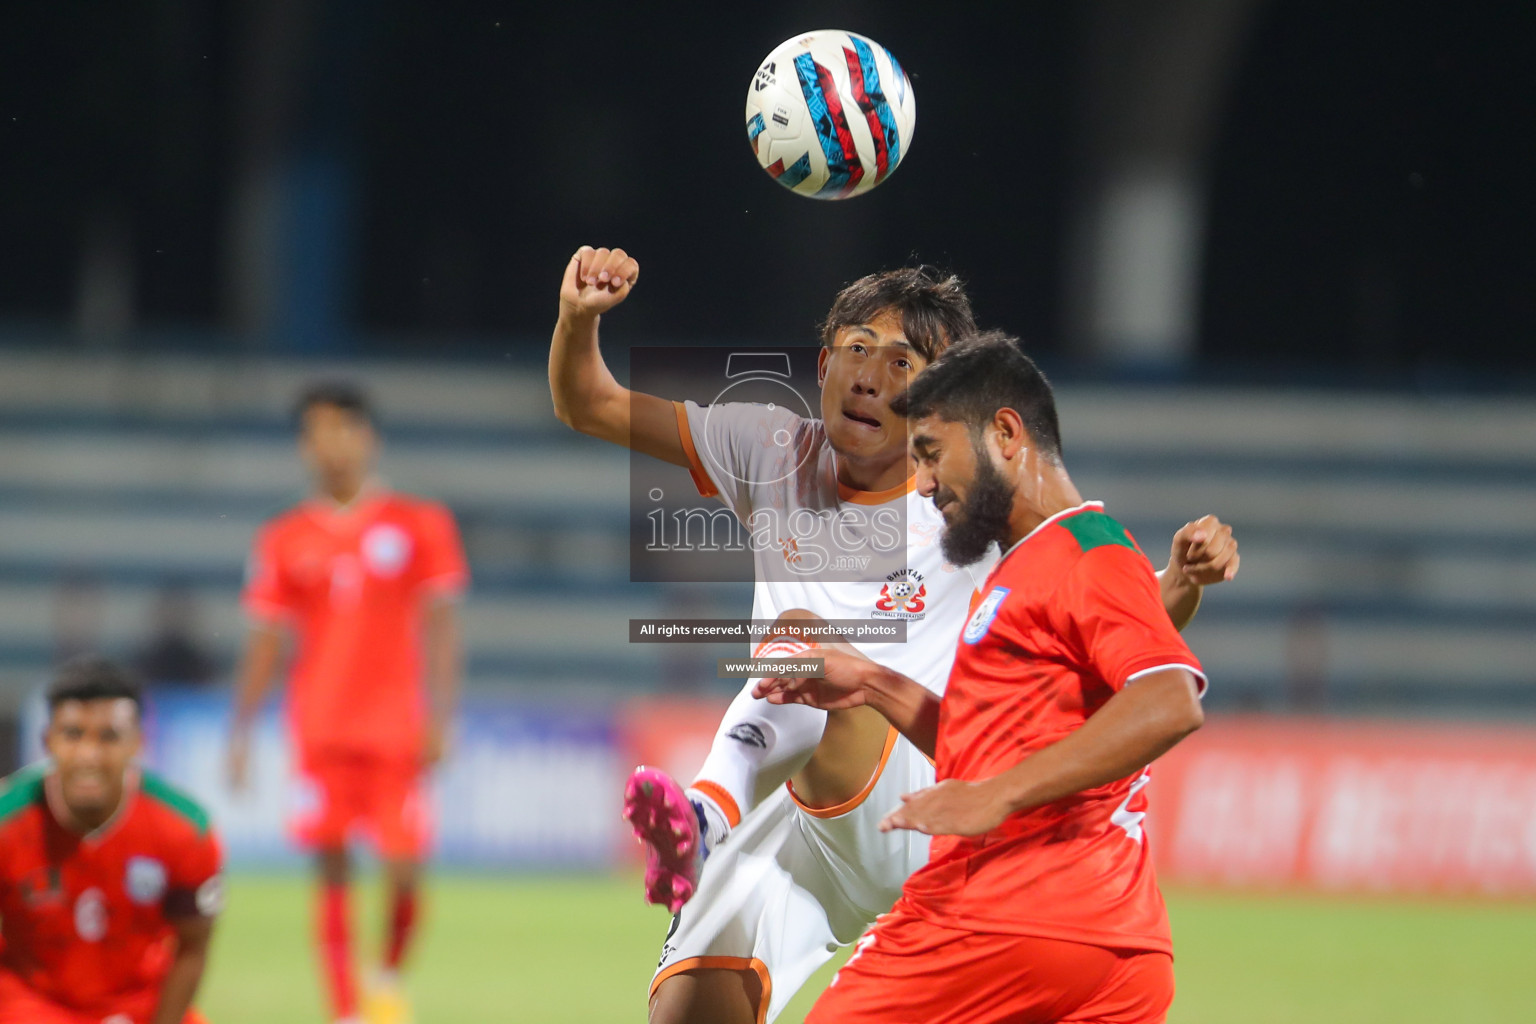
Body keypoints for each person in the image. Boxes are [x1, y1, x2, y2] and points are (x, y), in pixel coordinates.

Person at [551, 248, 1239, 1024]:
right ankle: (708, 823)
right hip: (801, 808)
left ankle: (706, 812)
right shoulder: (770, 449)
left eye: (903, 359)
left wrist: (1178, 586)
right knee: (689, 1014)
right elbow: (589, 405)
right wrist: (580, 317)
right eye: (856, 348)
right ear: (822, 363)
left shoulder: (972, 504)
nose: (871, 373)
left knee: (803, 643)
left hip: (927, 795)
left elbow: (1111, 642)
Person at [755, 331, 1211, 1024]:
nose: (927, 484)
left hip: (993, 920)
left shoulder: (1086, 549)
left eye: (933, 455)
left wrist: (995, 797)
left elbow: (1169, 701)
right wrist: (873, 685)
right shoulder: (1022, 571)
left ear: (1004, 433)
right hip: (1115, 951)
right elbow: (991, 748)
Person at [227, 382, 468, 1024]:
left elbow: (442, 627)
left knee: (406, 864)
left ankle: (385, 973)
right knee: (330, 868)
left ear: (368, 436)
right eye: (314, 433)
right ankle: (345, 1012)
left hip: (396, 729)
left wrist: (443, 715)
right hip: (321, 728)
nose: (328, 444)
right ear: (304, 447)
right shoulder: (283, 538)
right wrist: (241, 732)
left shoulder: (420, 524)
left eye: (340, 429)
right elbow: (264, 644)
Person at [0, 656, 222, 1024]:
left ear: (137, 742)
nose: (89, 754)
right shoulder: (7, 822)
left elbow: (192, 948)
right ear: (48, 741)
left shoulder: (185, 829)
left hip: (141, 1006)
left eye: (109, 736)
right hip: (31, 1007)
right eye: (73, 734)